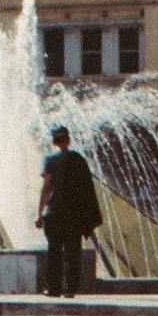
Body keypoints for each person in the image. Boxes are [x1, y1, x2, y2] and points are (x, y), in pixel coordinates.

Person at [36, 123, 100, 301]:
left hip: (55, 212)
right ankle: (71, 288)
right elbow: (86, 188)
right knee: (73, 252)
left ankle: (54, 288)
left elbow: (46, 187)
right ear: (68, 140)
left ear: (54, 141)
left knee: (54, 251)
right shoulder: (78, 159)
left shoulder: (49, 159)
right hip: (74, 215)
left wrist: (39, 213)